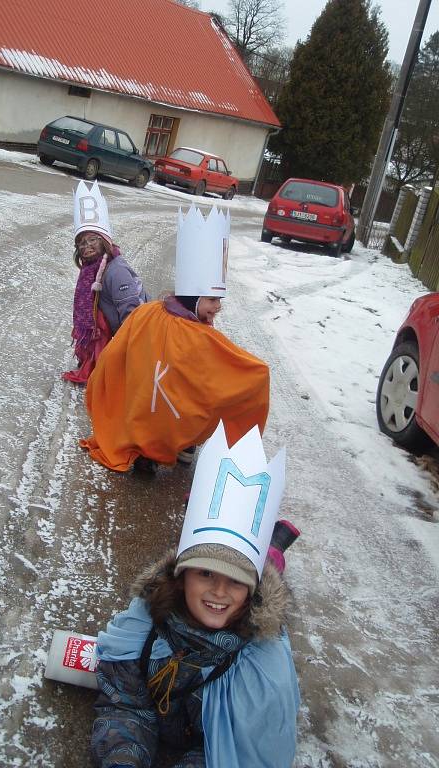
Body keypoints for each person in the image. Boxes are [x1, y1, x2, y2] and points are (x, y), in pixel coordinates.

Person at [91, 423, 300, 768]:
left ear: (250, 592)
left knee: (267, 561)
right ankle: (265, 547)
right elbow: (125, 703)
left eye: (235, 581)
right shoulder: (143, 627)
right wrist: (122, 758)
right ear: (181, 575)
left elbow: (240, 750)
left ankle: (271, 547)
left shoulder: (260, 670)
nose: (218, 591)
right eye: (204, 573)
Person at [80, 205, 269, 471]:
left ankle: (181, 445)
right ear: (193, 297)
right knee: (151, 411)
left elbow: (223, 365)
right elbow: (123, 343)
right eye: (212, 299)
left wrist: (254, 373)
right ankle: (149, 452)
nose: (218, 307)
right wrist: (108, 371)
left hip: (174, 400)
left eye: (219, 300)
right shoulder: (149, 314)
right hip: (152, 392)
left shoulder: (200, 332)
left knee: (180, 408)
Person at [63, 180, 148, 384]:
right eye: (82, 243)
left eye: (93, 239)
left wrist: (126, 357)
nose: (87, 246)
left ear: (104, 241)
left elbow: (132, 314)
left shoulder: (116, 271)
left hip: (134, 336)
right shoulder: (91, 271)